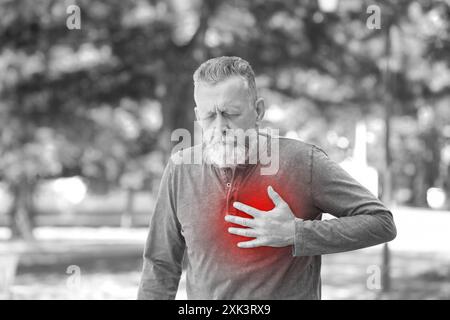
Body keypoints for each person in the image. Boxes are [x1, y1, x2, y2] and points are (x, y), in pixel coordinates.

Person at [137, 56, 397, 300]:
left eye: (231, 114)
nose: (219, 127)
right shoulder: (180, 169)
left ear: (258, 111)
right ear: (197, 117)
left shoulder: (302, 161)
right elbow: (160, 264)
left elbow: (381, 222)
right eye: (209, 116)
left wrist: (297, 233)